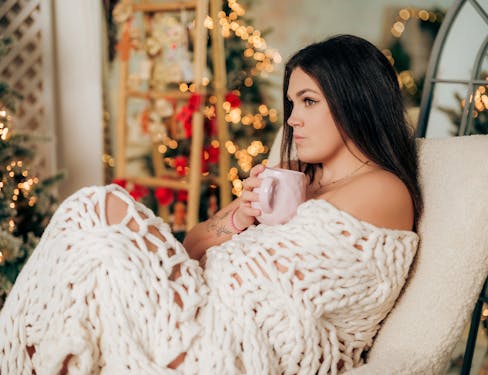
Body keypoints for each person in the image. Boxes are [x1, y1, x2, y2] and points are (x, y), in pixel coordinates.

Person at [0, 34, 421, 374]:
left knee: (100, 207)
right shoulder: (295, 177)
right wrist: (242, 213)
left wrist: (281, 215)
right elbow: (193, 245)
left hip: (237, 344)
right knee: (88, 259)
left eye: (309, 101)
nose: (292, 119)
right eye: (292, 103)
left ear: (356, 102)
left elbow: (277, 296)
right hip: (205, 309)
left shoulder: (382, 188)